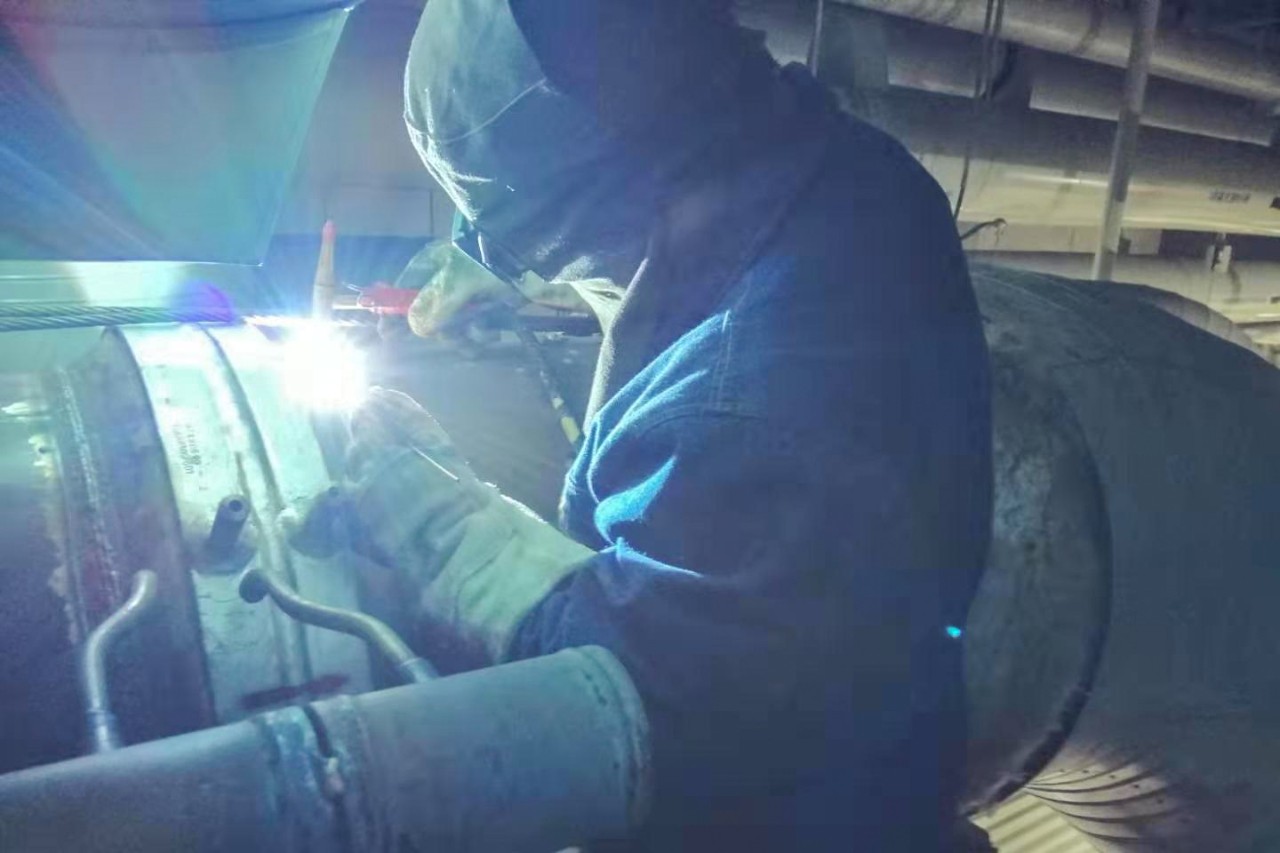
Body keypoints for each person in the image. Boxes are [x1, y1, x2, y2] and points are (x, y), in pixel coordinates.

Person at [345, 1, 993, 849]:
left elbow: (647, 703)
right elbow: (654, 193)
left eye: (541, 242)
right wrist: (504, 249)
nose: (530, 265)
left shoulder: (751, 393)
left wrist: (461, 544)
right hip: (902, 737)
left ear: (626, 189)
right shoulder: (842, 170)